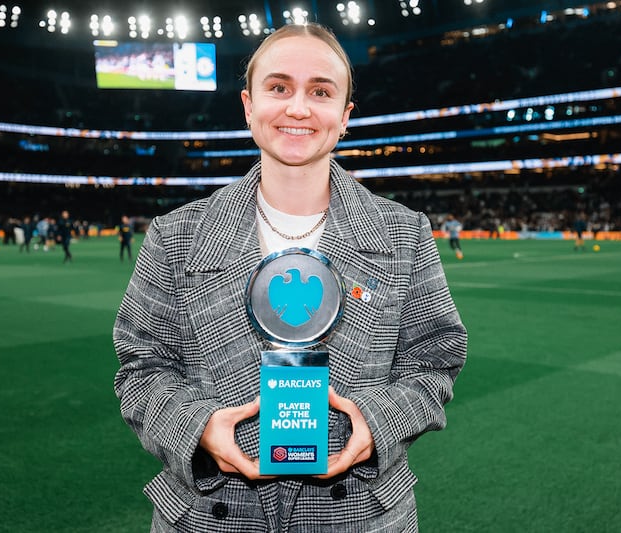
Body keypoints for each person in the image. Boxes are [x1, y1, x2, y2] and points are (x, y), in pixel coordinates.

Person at [113, 23, 467, 533]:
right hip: (209, 517)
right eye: (278, 88)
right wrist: (199, 428)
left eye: (320, 92)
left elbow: (435, 361)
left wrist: (376, 422)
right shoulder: (176, 235)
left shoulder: (404, 232)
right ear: (248, 106)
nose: (298, 108)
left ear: (344, 116)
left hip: (361, 517)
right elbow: (141, 371)